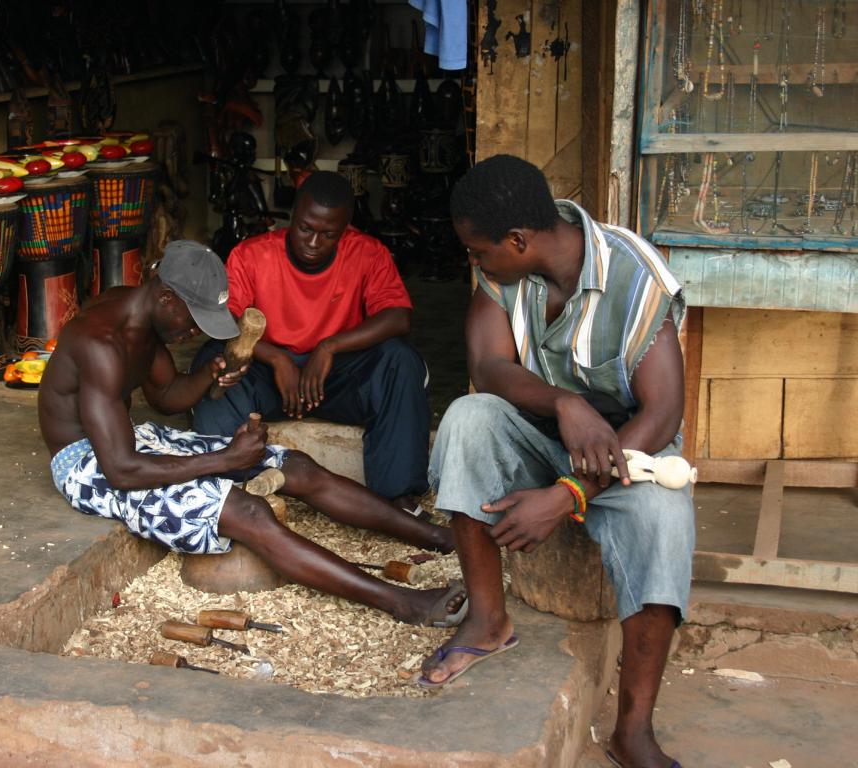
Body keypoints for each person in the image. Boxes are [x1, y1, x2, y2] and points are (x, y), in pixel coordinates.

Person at [38, 240, 465, 627]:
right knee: (249, 512)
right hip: (87, 463)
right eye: (195, 319)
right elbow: (121, 470)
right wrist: (225, 460)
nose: (197, 332)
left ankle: (439, 537)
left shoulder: (140, 315)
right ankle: (401, 602)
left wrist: (210, 373)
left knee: (295, 466)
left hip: (127, 441)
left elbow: (166, 395)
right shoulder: (102, 344)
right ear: (166, 296)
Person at [423, 156, 692, 768]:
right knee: (467, 418)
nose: (475, 262)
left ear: (518, 241)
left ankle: (633, 731)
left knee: (665, 521)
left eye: (479, 251)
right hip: (537, 433)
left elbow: (662, 413)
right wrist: (564, 403)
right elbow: (488, 366)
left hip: (629, 448)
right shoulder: (503, 276)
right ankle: (488, 621)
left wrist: (569, 493)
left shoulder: (634, 274)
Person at [191, 171, 432, 517]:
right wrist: (277, 358)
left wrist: (329, 347)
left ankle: (398, 499)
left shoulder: (367, 253)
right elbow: (223, 320)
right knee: (214, 359)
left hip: (335, 377)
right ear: (293, 216)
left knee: (401, 361)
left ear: (345, 229)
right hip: (266, 375)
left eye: (328, 234)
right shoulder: (252, 254)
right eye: (305, 228)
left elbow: (398, 317)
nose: (314, 242)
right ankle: (225, 485)